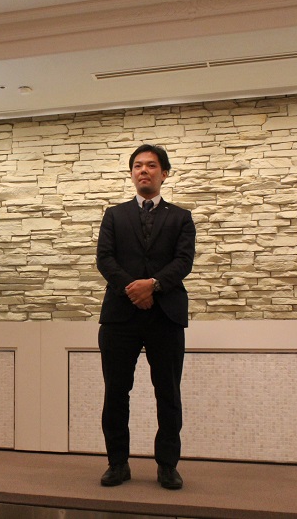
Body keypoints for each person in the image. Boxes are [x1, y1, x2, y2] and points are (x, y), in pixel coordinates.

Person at [96, 144, 195, 490]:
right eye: (138, 165)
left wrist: (152, 285)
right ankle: (117, 463)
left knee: (168, 392)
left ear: (164, 174)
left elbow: (184, 261)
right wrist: (133, 289)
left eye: (151, 165)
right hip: (119, 316)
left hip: (166, 315)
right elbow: (105, 259)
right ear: (131, 173)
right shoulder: (114, 215)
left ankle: (167, 465)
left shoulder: (181, 217)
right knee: (115, 392)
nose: (144, 171)